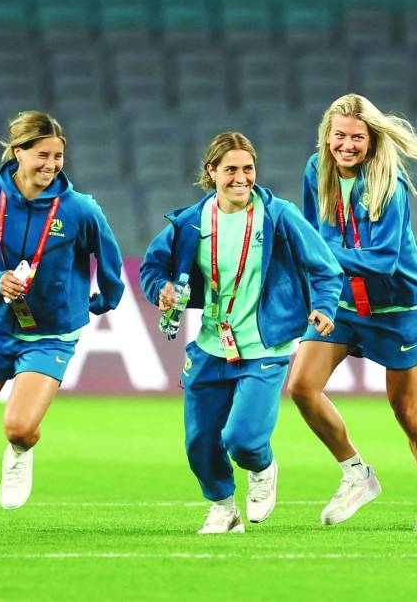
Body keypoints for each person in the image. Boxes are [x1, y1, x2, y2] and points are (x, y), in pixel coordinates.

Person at [140, 131, 343, 534]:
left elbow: (325, 267)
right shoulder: (190, 222)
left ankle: (262, 468)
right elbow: (152, 267)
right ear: (211, 171)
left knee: (243, 440)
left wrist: (323, 305)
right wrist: (161, 289)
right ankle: (223, 509)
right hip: (211, 345)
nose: (241, 177)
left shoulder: (278, 215)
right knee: (199, 442)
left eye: (248, 168)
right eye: (230, 169)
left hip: (264, 346)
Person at [0, 111, 125, 535]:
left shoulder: (79, 209)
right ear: (17, 152)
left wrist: (104, 300)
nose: (51, 165)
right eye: (43, 155)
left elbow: (109, 260)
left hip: (49, 334)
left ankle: (20, 452)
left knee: (19, 427)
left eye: (58, 157)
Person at [286, 93, 417, 531]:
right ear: (326, 136)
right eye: (339, 135)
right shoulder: (315, 170)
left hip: (395, 307)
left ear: (372, 139)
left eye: (357, 137)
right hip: (343, 302)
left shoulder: (389, 183)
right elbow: (311, 233)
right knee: (302, 387)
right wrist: (315, 286)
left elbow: (382, 260)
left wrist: (318, 253)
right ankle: (356, 474)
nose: (346, 145)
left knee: (407, 412)